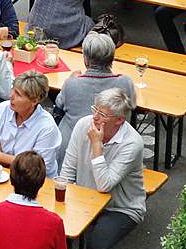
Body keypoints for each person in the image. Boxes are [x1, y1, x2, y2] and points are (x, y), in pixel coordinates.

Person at [58, 89, 146, 249]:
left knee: (96, 247)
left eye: (102, 114)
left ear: (119, 120)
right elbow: (69, 167)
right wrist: (62, 200)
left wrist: (97, 146)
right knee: (57, 234)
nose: (95, 118)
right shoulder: (83, 125)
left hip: (120, 207)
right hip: (86, 199)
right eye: (95, 110)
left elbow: (104, 185)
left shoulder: (132, 143)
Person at [55, 31, 136, 163]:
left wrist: (70, 81)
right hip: (112, 148)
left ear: (86, 59)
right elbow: (132, 106)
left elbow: (59, 104)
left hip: (72, 149)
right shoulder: (125, 82)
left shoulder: (72, 83)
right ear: (112, 57)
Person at [0, 72, 62, 177]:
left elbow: (36, 169)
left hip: (36, 186)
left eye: (18, 94)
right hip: (1, 176)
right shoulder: (2, 109)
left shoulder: (47, 127)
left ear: (34, 101)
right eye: (13, 89)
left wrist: (0, 156)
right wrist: (15, 161)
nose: (11, 96)